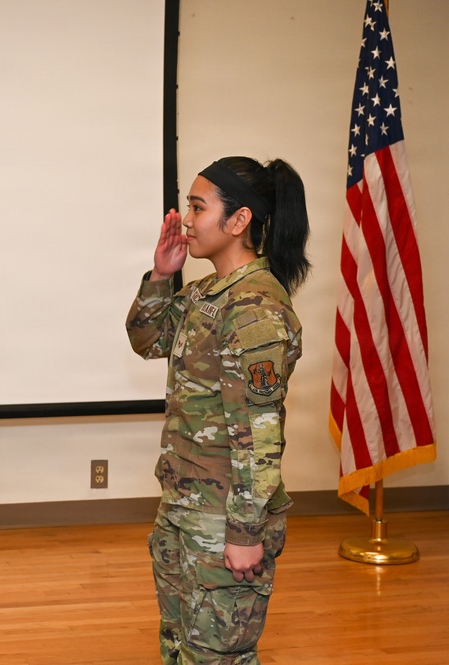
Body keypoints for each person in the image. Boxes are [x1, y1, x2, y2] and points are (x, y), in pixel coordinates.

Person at [126, 156, 310, 664]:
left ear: (238, 221)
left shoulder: (255, 308)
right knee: (180, 646)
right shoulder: (205, 293)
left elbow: (259, 435)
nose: (186, 219)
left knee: (217, 657)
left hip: (224, 522)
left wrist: (246, 532)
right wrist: (162, 276)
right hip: (184, 511)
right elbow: (146, 340)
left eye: (198, 207)